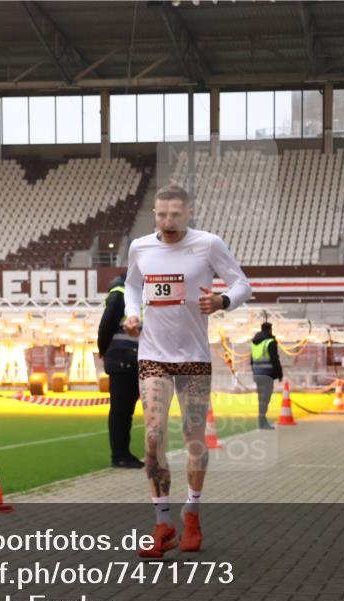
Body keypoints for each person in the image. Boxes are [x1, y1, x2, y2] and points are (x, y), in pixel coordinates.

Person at [123, 184, 252, 558]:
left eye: (175, 214)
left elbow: (242, 284)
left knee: (194, 438)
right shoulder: (140, 247)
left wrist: (223, 300)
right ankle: (163, 524)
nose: (167, 221)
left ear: (189, 213)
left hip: (193, 358)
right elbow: (132, 285)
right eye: (161, 214)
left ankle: (191, 514)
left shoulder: (208, 244)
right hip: (153, 356)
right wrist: (132, 314)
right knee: (153, 437)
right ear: (155, 214)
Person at [97, 272, 144, 469]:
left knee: (125, 411)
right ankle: (120, 455)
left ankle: (123, 453)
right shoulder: (120, 293)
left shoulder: (137, 293)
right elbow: (106, 325)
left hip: (130, 359)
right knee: (121, 411)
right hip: (122, 359)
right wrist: (104, 351)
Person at [250, 322, 283, 429]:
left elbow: (251, 361)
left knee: (261, 398)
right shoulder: (270, 342)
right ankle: (262, 421)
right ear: (270, 329)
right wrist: (279, 374)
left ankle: (261, 420)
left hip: (257, 374)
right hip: (267, 374)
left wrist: (254, 372)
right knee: (265, 398)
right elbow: (274, 359)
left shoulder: (255, 343)